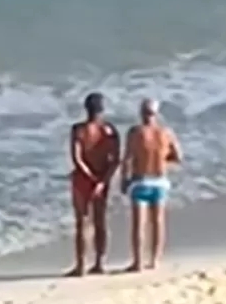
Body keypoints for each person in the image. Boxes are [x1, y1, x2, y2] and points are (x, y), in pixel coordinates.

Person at [121, 98, 182, 272]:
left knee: (139, 224)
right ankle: (154, 260)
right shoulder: (166, 133)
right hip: (160, 180)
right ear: (156, 113)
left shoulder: (135, 132)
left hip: (141, 180)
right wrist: (162, 159)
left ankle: (138, 262)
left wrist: (124, 180)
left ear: (141, 113)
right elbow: (178, 157)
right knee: (158, 222)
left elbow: (127, 158)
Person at [68, 93, 120, 277]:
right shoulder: (110, 131)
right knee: (100, 221)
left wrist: (90, 178)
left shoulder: (78, 130)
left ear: (86, 109)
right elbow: (115, 161)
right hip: (102, 177)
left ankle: (81, 265)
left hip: (83, 179)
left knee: (82, 222)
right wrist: (102, 181)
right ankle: (100, 262)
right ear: (102, 109)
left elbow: (77, 158)